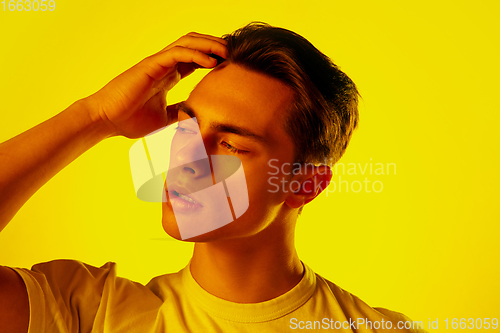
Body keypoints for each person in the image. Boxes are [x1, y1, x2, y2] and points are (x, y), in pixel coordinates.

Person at [0, 23, 426, 332]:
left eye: (231, 145)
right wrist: (95, 116)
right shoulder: (91, 313)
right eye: (185, 123)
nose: (185, 158)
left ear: (305, 185)